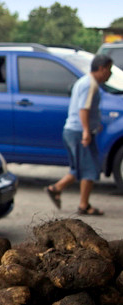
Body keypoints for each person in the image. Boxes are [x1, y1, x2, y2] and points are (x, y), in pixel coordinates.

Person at [45, 54, 113, 216]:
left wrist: (95, 125)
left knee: (79, 168)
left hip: (71, 130)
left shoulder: (83, 81)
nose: (109, 74)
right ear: (102, 69)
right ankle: (84, 205)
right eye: (109, 70)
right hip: (78, 132)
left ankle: (56, 188)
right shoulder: (90, 84)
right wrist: (86, 131)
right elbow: (83, 109)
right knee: (90, 169)